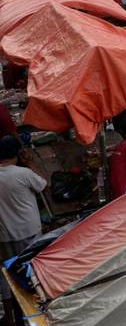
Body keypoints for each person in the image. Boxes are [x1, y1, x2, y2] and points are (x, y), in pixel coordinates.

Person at [0, 135, 46, 323]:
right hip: (29, 233)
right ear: (17, 153)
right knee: (32, 273)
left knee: (5, 274)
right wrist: (30, 163)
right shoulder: (23, 173)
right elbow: (43, 184)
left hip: (3, 235)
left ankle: (11, 317)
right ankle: (37, 314)